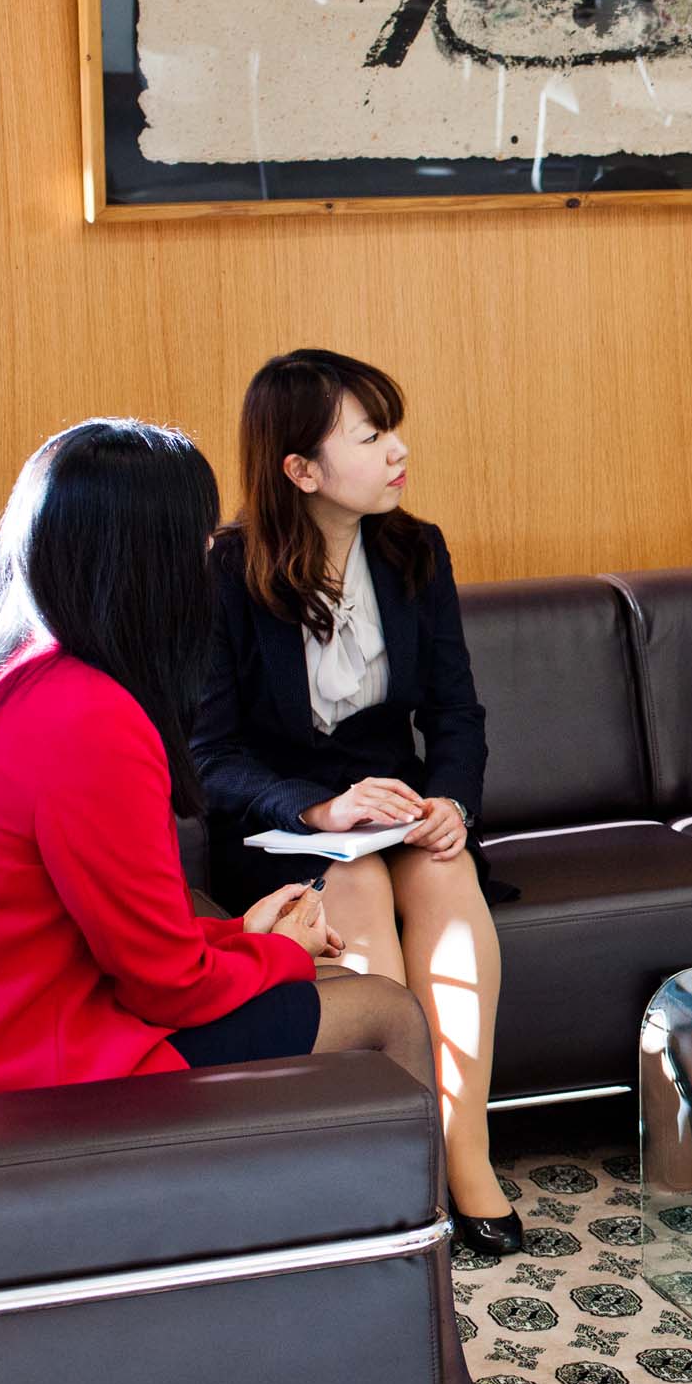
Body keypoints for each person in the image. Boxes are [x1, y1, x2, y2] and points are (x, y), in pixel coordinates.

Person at [0, 419, 552, 1384]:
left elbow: (103, 927)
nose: (205, 565)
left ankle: (354, 1320)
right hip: (17, 1069)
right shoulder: (90, 716)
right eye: (192, 543)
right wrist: (278, 951)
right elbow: (165, 987)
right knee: (386, 1017)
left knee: (303, 978)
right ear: (142, 559)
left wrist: (241, 939)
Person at [191, 350, 520, 1259]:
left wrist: (450, 804)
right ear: (300, 469)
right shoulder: (226, 572)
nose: (398, 451)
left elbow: (455, 713)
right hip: (286, 825)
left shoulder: (416, 550)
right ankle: (395, 1164)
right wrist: (319, 810)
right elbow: (209, 756)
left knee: (445, 873)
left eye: (391, 430)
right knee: (361, 889)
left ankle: (465, 1158)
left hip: (397, 808)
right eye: (371, 437)